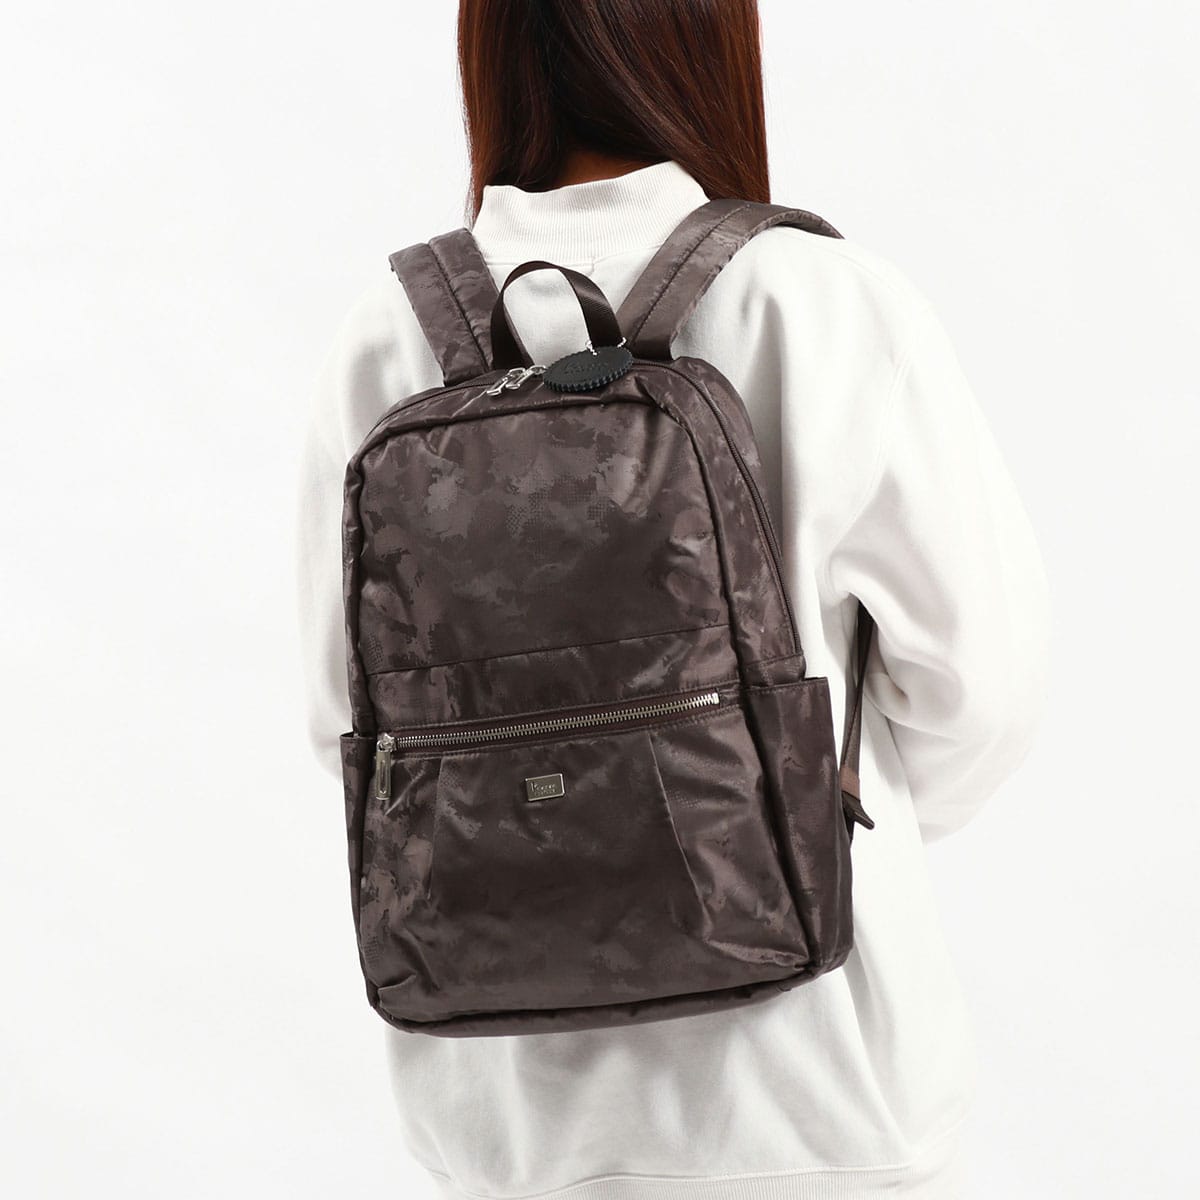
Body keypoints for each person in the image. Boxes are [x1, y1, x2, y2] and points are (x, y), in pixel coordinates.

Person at [294, 2, 1052, 1197]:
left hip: (509, 1125)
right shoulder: (821, 301)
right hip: (814, 1094)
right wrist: (811, 810)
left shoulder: (382, 341)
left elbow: (345, 721)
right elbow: (982, 690)